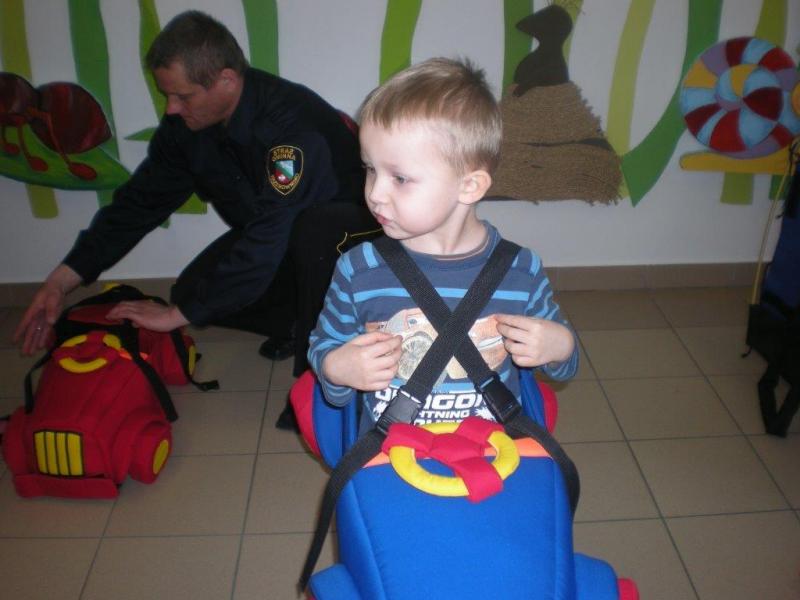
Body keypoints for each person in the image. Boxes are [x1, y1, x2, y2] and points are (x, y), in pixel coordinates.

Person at [13, 11, 376, 428]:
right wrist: (61, 280)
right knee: (191, 292)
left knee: (311, 234)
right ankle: (302, 322)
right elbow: (139, 204)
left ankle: (321, 384)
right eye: (167, 95)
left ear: (226, 80)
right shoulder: (186, 128)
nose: (171, 108)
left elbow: (268, 237)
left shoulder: (291, 130)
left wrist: (177, 315)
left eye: (183, 96)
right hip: (281, 237)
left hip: (355, 247)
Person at [307, 57, 578, 435]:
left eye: (400, 178)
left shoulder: (520, 271)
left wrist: (561, 346)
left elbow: (562, 366)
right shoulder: (358, 270)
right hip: (391, 454)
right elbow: (326, 351)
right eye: (370, 169)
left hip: (493, 455)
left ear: (469, 186)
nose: (375, 193)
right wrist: (336, 369)